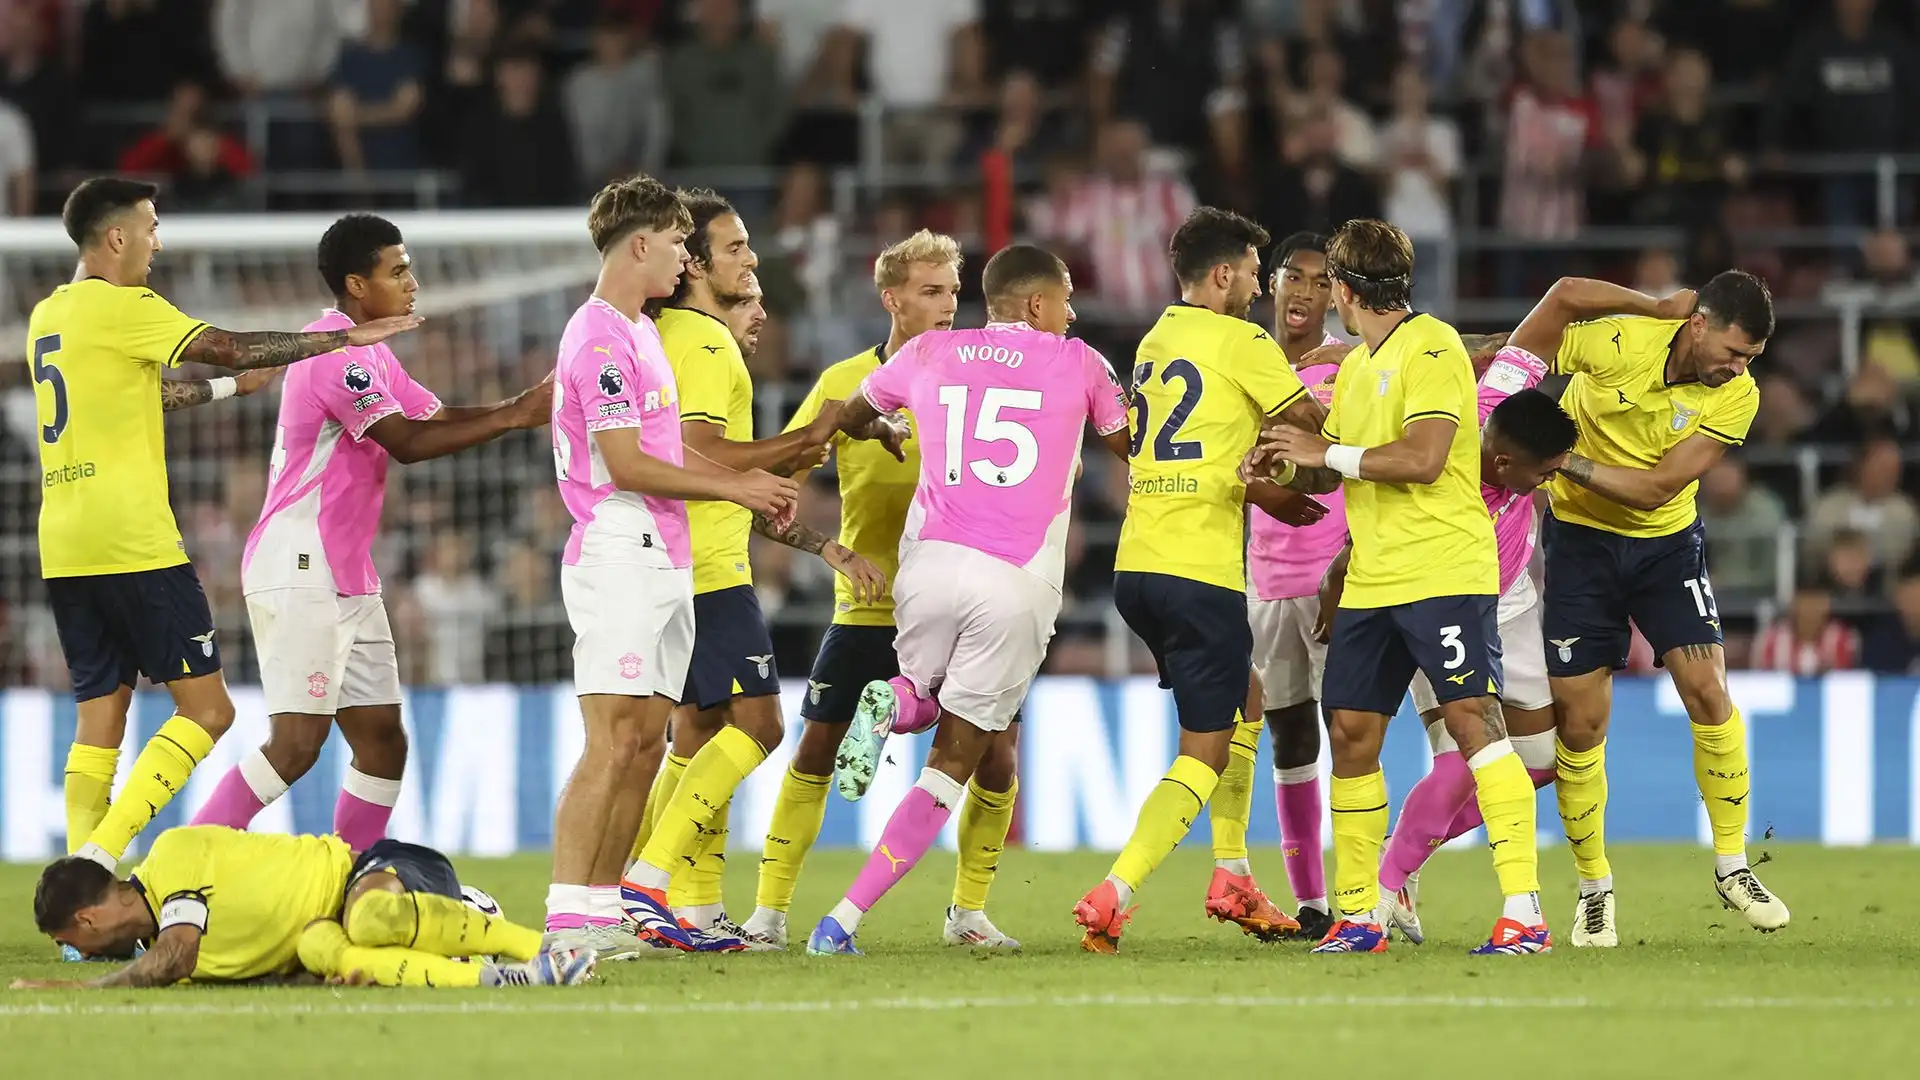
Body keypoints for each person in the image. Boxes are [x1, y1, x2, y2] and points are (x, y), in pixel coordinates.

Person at [30, 178, 419, 888]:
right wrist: (340, 337)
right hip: (132, 538)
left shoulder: (49, 316)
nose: (157, 242)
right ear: (116, 237)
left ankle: (76, 913)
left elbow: (143, 394)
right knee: (209, 711)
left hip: (63, 542)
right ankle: (98, 860)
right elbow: (232, 347)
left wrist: (225, 393)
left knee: (100, 719)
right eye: (150, 227)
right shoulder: (125, 306)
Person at [188, 214, 552, 855]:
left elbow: (435, 415)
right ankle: (180, 867)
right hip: (299, 561)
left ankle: (350, 877)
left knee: (383, 741)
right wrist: (513, 416)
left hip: (347, 572)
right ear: (357, 284)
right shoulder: (328, 350)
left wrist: (520, 408)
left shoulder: (372, 353)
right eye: (398, 270)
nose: (413, 282)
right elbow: (406, 441)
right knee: (296, 744)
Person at [806, 244, 1132, 955]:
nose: (1073, 314)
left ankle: (895, 701)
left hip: (926, 569)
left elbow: (851, 413)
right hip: (1014, 581)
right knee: (952, 764)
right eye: (1066, 300)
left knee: (923, 694)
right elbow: (1132, 445)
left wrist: (883, 427)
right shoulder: (1079, 361)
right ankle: (841, 921)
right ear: (1038, 304)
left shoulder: (929, 351)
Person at [1262, 218, 1548, 956]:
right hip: (1373, 578)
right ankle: (1362, 914)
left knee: (1473, 725)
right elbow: (1337, 470)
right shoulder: (1358, 367)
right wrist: (1284, 463)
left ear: (1345, 290)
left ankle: (1524, 913)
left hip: (1444, 570)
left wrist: (1326, 450)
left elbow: (1422, 458)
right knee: (1352, 734)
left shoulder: (1434, 347)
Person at [743, 231, 1022, 951]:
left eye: (953, 291)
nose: (947, 305)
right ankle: (768, 915)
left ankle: (968, 914)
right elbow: (769, 496)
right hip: (873, 606)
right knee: (816, 749)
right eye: (931, 291)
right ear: (891, 299)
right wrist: (829, 549)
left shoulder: (981, 379)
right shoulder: (844, 386)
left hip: (970, 601)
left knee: (996, 758)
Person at [618, 188, 878, 949]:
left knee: (698, 734)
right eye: (735, 250)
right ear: (694, 264)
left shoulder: (669, 335)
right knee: (759, 725)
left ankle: (689, 905)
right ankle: (647, 881)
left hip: (679, 559)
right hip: (704, 565)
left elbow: (733, 477)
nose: (751, 262)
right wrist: (815, 431)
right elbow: (701, 454)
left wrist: (818, 525)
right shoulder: (704, 343)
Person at [545, 176, 798, 957]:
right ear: (640, 244)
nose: (686, 259)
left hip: (667, 553)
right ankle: (565, 918)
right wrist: (738, 485)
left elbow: (671, 450)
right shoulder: (600, 338)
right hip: (618, 546)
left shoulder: (642, 334)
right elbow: (626, 463)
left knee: (648, 744)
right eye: (678, 243)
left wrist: (747, 482)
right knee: (610, 741)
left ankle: (605, 909)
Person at [1073, 206, 1328, 954]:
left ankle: (1233, 872)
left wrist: (1255, 483)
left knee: (1248, 697)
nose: (1259, 286)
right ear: (1222, 275)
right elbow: (1312, 426)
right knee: (1204, 751)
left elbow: (1193, 448)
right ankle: (1114, 892)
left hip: (1139, 566)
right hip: (1199, 572)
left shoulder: (1157, 339)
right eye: (1252, 272)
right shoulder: (1244, 341)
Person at [1520, 271, 1789, 946]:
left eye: (1751, 358)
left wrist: (1557, 460)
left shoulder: (1737, 397)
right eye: (1735, 352)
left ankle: (1732, 866)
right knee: (1581, 725)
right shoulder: (1621, 339)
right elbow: (1528, 345)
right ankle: (1594, 890)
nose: (1740, 369)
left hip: (1665, 547)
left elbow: (1656, 488)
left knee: (1709, 691)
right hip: (1580, 546)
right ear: (1698, 324)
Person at [1355, 375, 1580, 945]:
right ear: (1504, 464)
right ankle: (1383, 887)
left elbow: (1544, 326)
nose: (1550, 484)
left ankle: (1400, 857)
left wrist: (1485, 348)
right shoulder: (1441, 476)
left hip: (1514, 606)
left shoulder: (1487, 403)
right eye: (1544, 474)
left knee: (1544, 760)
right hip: (1443, 608)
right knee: (1466, 760)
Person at [20, 826, 591, 989]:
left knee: (366, 918)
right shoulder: (168, 957)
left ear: (86, 919)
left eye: (70, 942)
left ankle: (545, 946)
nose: (79, 955)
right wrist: (321, 979)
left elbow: (176, 955)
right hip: (331, 930)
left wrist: (87, 990)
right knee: (323, 948)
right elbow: (274, 969)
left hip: (377, 871)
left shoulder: (172, 858)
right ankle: (513, 978)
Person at [1236, 231, 1347, 942]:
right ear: (1272, 283)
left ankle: (1373, 891)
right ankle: (1312, 903)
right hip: (1267, 580)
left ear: (1337, 294)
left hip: (1340, 575)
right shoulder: (1242, 360)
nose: (1305, 290)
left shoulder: (1350, 365)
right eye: (1294, 276)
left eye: (1321, 280)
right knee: (1291, 737)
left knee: (1353, 734)